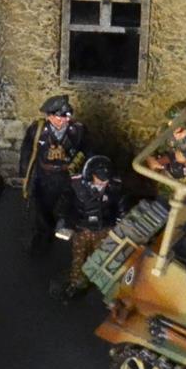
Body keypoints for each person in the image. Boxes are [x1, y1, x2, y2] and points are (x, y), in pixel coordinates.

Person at [18, 94, 87, 253]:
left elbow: (87, 150)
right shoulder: (38, 130)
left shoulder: (78, 130)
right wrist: (25, 174)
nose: (66, 120)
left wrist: (78, 164)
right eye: (61, 116)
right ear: (50, 116)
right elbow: (27, 151)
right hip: (45, 175)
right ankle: (42, 236)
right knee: (41, 207)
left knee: (69, 205)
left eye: (67, 116)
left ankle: (65, 229)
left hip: (67, 175)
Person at [52, 155, 126, 301]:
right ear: (90, 174)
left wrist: (120, 218)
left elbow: (119, 205)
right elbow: (65, 205)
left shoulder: (114, 187)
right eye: (99, 178)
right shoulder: (76, 185)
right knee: (79, 258)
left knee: (100, 258)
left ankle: (98, 282)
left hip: (103, 229)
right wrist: (66, 222)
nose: (103, 182)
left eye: (106, 179)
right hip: (82, 229)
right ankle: (77, 283)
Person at [143, 116, 186, 187]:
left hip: (182, 179)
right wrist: (151, 157)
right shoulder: (165, 131)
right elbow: (153, 145)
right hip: (165, 171)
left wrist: (153, 159)